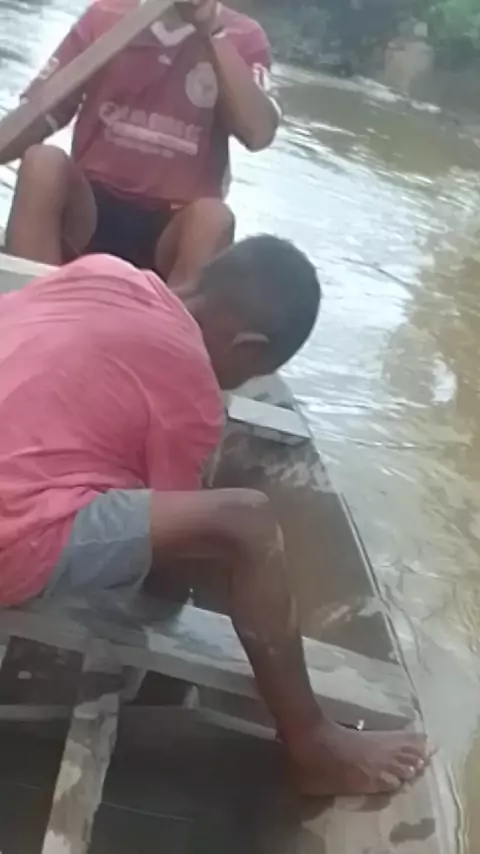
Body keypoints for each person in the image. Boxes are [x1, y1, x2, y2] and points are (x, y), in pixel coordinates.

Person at [0, 236, 430, 795]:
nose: (234, 388)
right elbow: (171, 562)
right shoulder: (191, 386)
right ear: (247, 345)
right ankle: (313, 745)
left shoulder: (105, 271)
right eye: (247, 375)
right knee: (244, 524)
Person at [1, 0, 279, 286]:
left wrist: (212, 32)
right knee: (43, 164)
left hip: (171, 229)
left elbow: (258, 133)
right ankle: (32, 300)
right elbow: (40, 115)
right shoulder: (106, 15)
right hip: (89, 211)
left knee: (213, 219)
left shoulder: (243, 36)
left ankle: (171, 313)